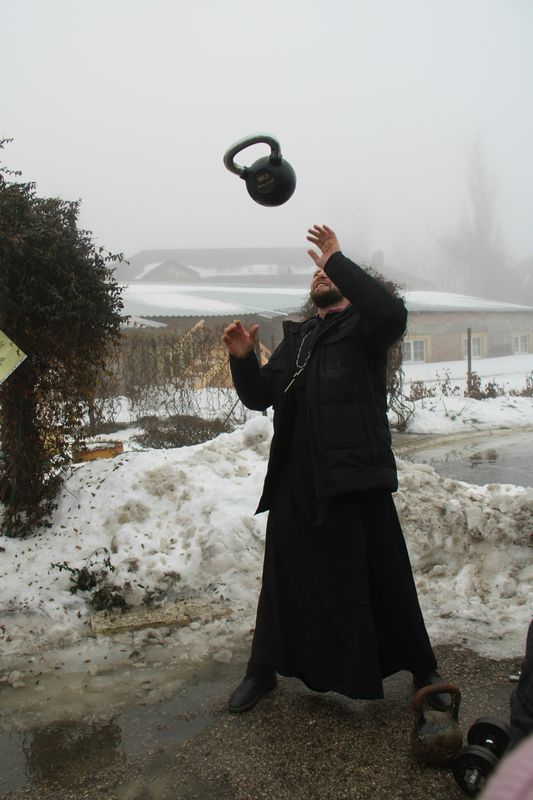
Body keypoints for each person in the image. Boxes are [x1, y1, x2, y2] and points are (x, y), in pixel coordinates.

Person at [222, 224, 448, 713]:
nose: (319, 277)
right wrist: (243, 360)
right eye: (316, 275)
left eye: (327, 273)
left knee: (384, 575)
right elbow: (261, 396)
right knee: (284, 580)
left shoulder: (366, 328)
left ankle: (422, 667)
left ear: (344, 281)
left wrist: (336, 260)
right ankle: (262, 670)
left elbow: (392, 312)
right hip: (297, 480)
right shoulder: (299, 339)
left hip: (355, 473)